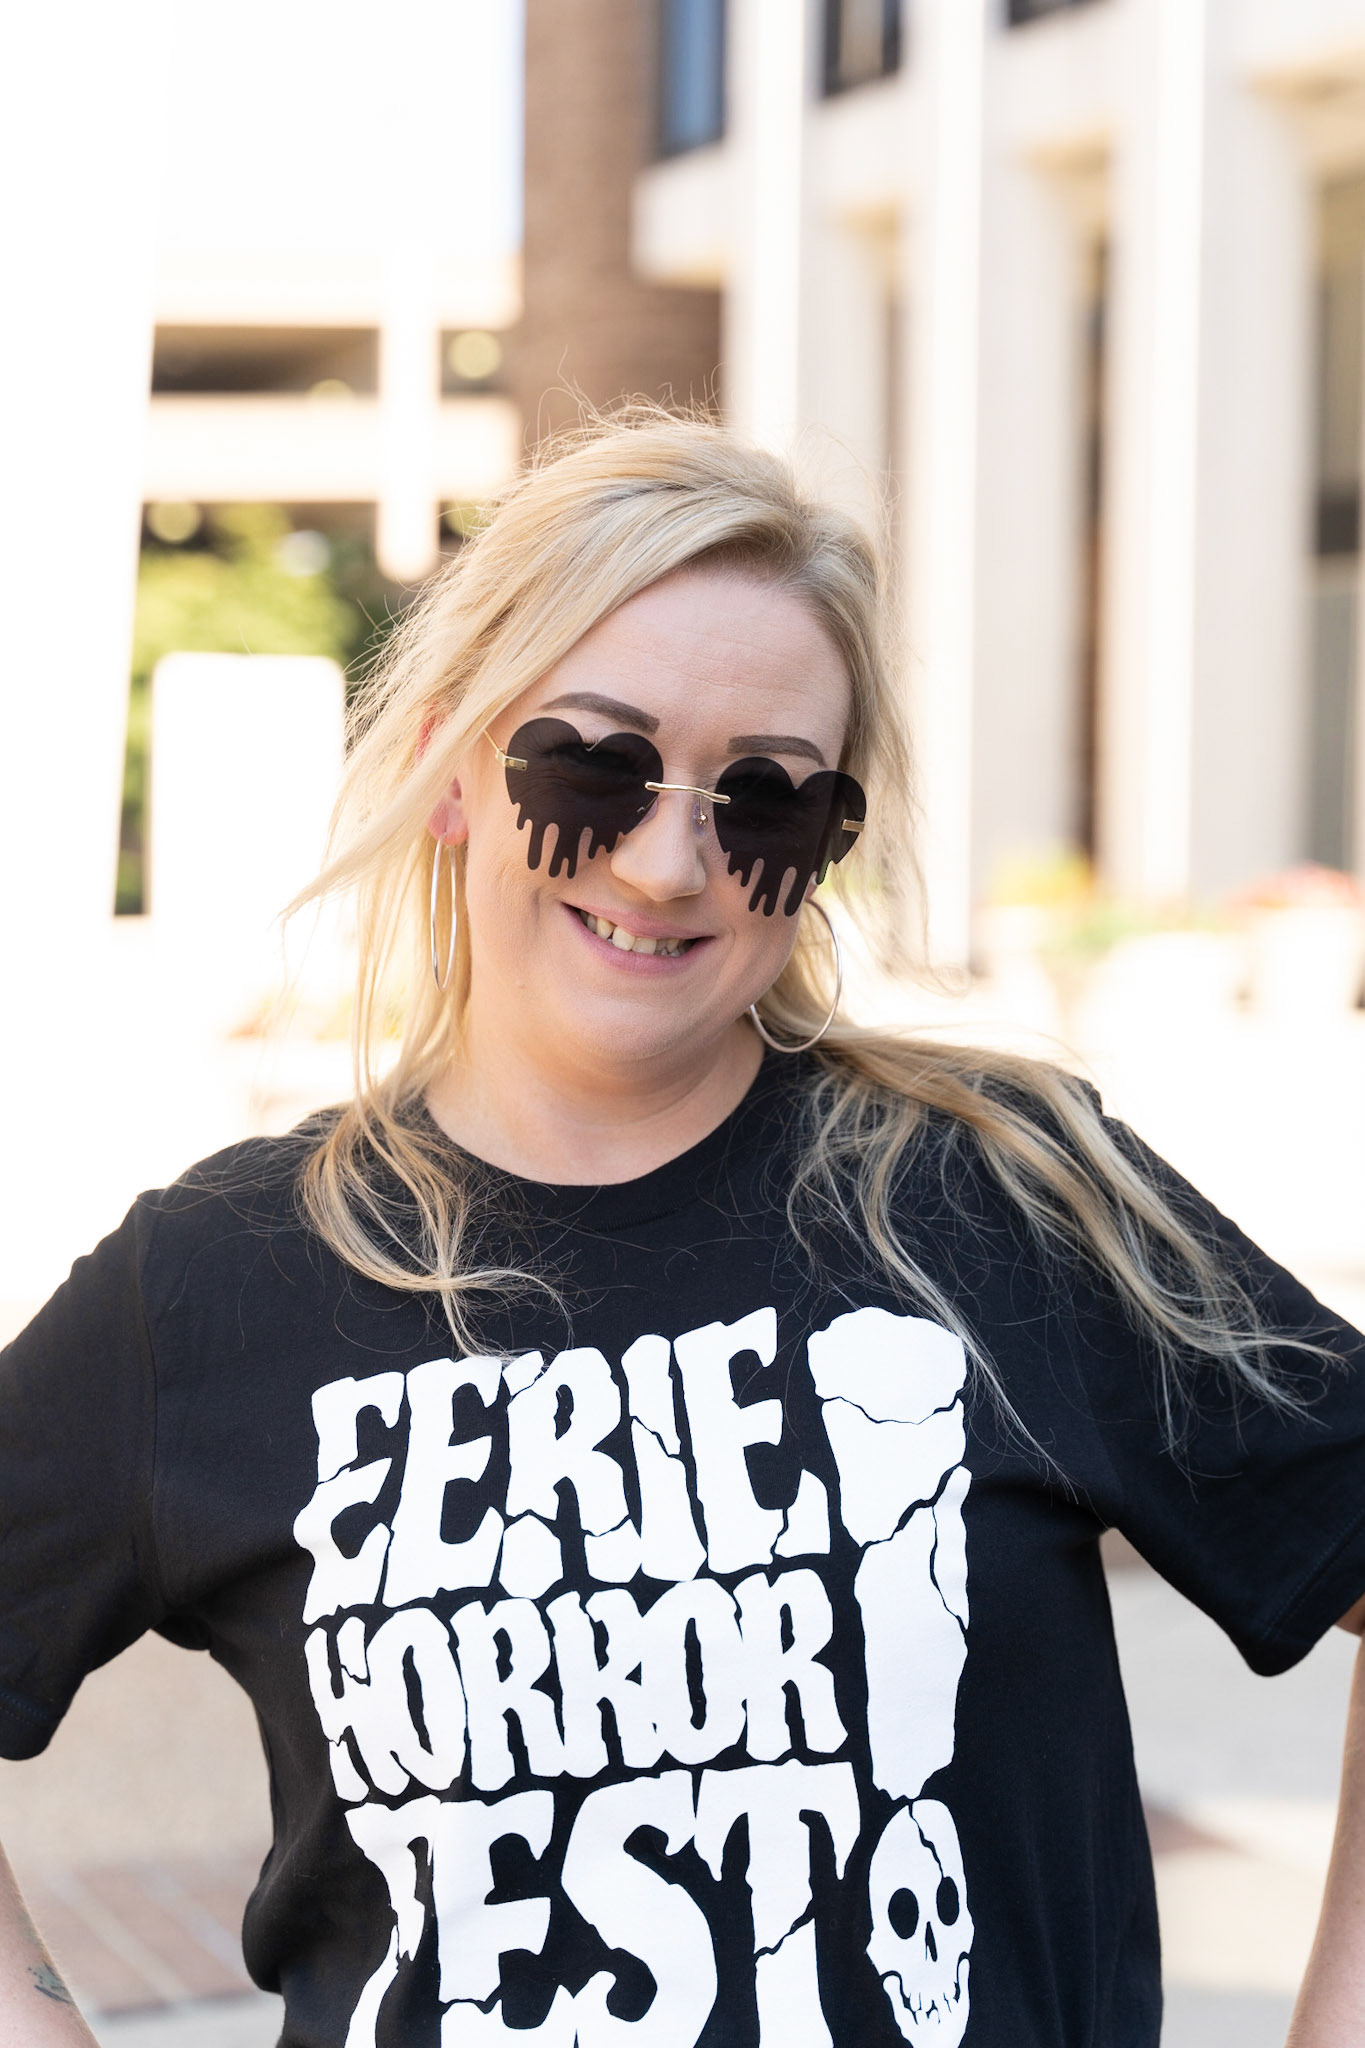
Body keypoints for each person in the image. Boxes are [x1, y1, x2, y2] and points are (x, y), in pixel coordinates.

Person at [1, 415, 1363, 2048]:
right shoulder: (216, 1281)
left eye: (766, 800)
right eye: (593, 764)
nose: (667, 862)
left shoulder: (1002, 1198)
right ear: (451, 770)